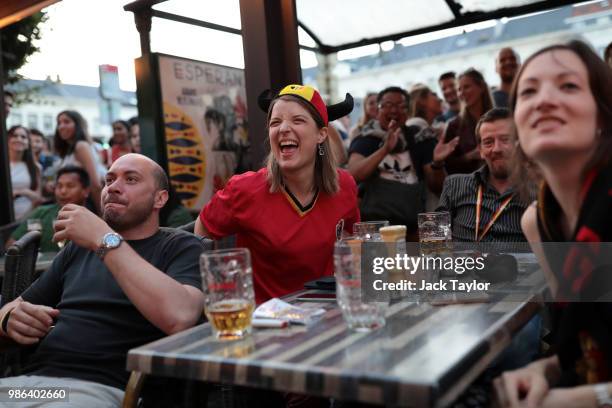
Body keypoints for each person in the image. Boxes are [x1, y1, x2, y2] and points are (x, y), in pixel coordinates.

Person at [0, 153, 204, 407]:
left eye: (131, 179)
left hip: (102, 391)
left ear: (160, 198)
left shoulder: (180, 247)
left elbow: (180, 316)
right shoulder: (78, 249)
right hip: (32, 388)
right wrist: (7, 318)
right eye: (109, 180)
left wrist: (104, 238)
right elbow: (12, 306)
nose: (113, 187)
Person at [495, 40, 612, 408]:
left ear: (603, 116)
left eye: (568, 86)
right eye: (528, 92)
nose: (543, 100)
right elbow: (581, 343)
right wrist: (543, 371)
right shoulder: (540, 221)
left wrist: (589, 398)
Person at [195, 84, 359, 304]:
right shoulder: (244, 190)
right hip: (268, 324)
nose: (283, 128)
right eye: (275, 122)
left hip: (329, 312)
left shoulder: (344, 185)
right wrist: (220, 287)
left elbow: (353, 239)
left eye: (297, 120)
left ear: (321, 134)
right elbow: (201, 231)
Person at [347, 86, 458, 238]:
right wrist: (384, 149)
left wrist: (437, 163)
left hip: (414, 229)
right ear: (377, 110)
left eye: (401, 106)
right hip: (375, 230)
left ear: (408, 112)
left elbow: (438, 186)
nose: (394, 110)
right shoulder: (366, 138)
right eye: (387, 105)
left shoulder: (419, 137)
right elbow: (353, 174)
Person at [436, 108, 530, 242]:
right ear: (480, 150)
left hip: (520, 262)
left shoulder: (539, 190)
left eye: (505, 140)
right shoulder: (454, 185)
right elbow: (433, 242)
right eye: (488, 142)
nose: (497, 149)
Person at [7, 166, 90, 252]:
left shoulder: (91, 220)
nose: (63, 191)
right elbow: (11, 245)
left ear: (86, 191)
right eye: (59, 186)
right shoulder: (41, 213)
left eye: (70, 186)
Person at [443, 68, 493, 175]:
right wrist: (469, 156)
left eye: (466, 87)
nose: (461, 93)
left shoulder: (498, 118)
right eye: (459, 89)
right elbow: (448, 165)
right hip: (472, 186)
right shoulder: (454, 126)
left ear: (481, 87)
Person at [54, 110, 105, 213]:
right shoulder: (69, 149)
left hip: (89, 205)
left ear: (78, 125)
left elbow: (95, 184)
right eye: (59, 123)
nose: (61, 126)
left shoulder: (81, 146)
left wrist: (102, 214)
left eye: (66, 122)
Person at [8, 125, 41, 219]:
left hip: (28, 218)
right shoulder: (3, 167)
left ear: (28, 143)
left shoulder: (35, 167)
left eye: (23, 137)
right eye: (14, 136)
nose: (19, 139)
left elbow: (39, 198)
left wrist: (23, 191)